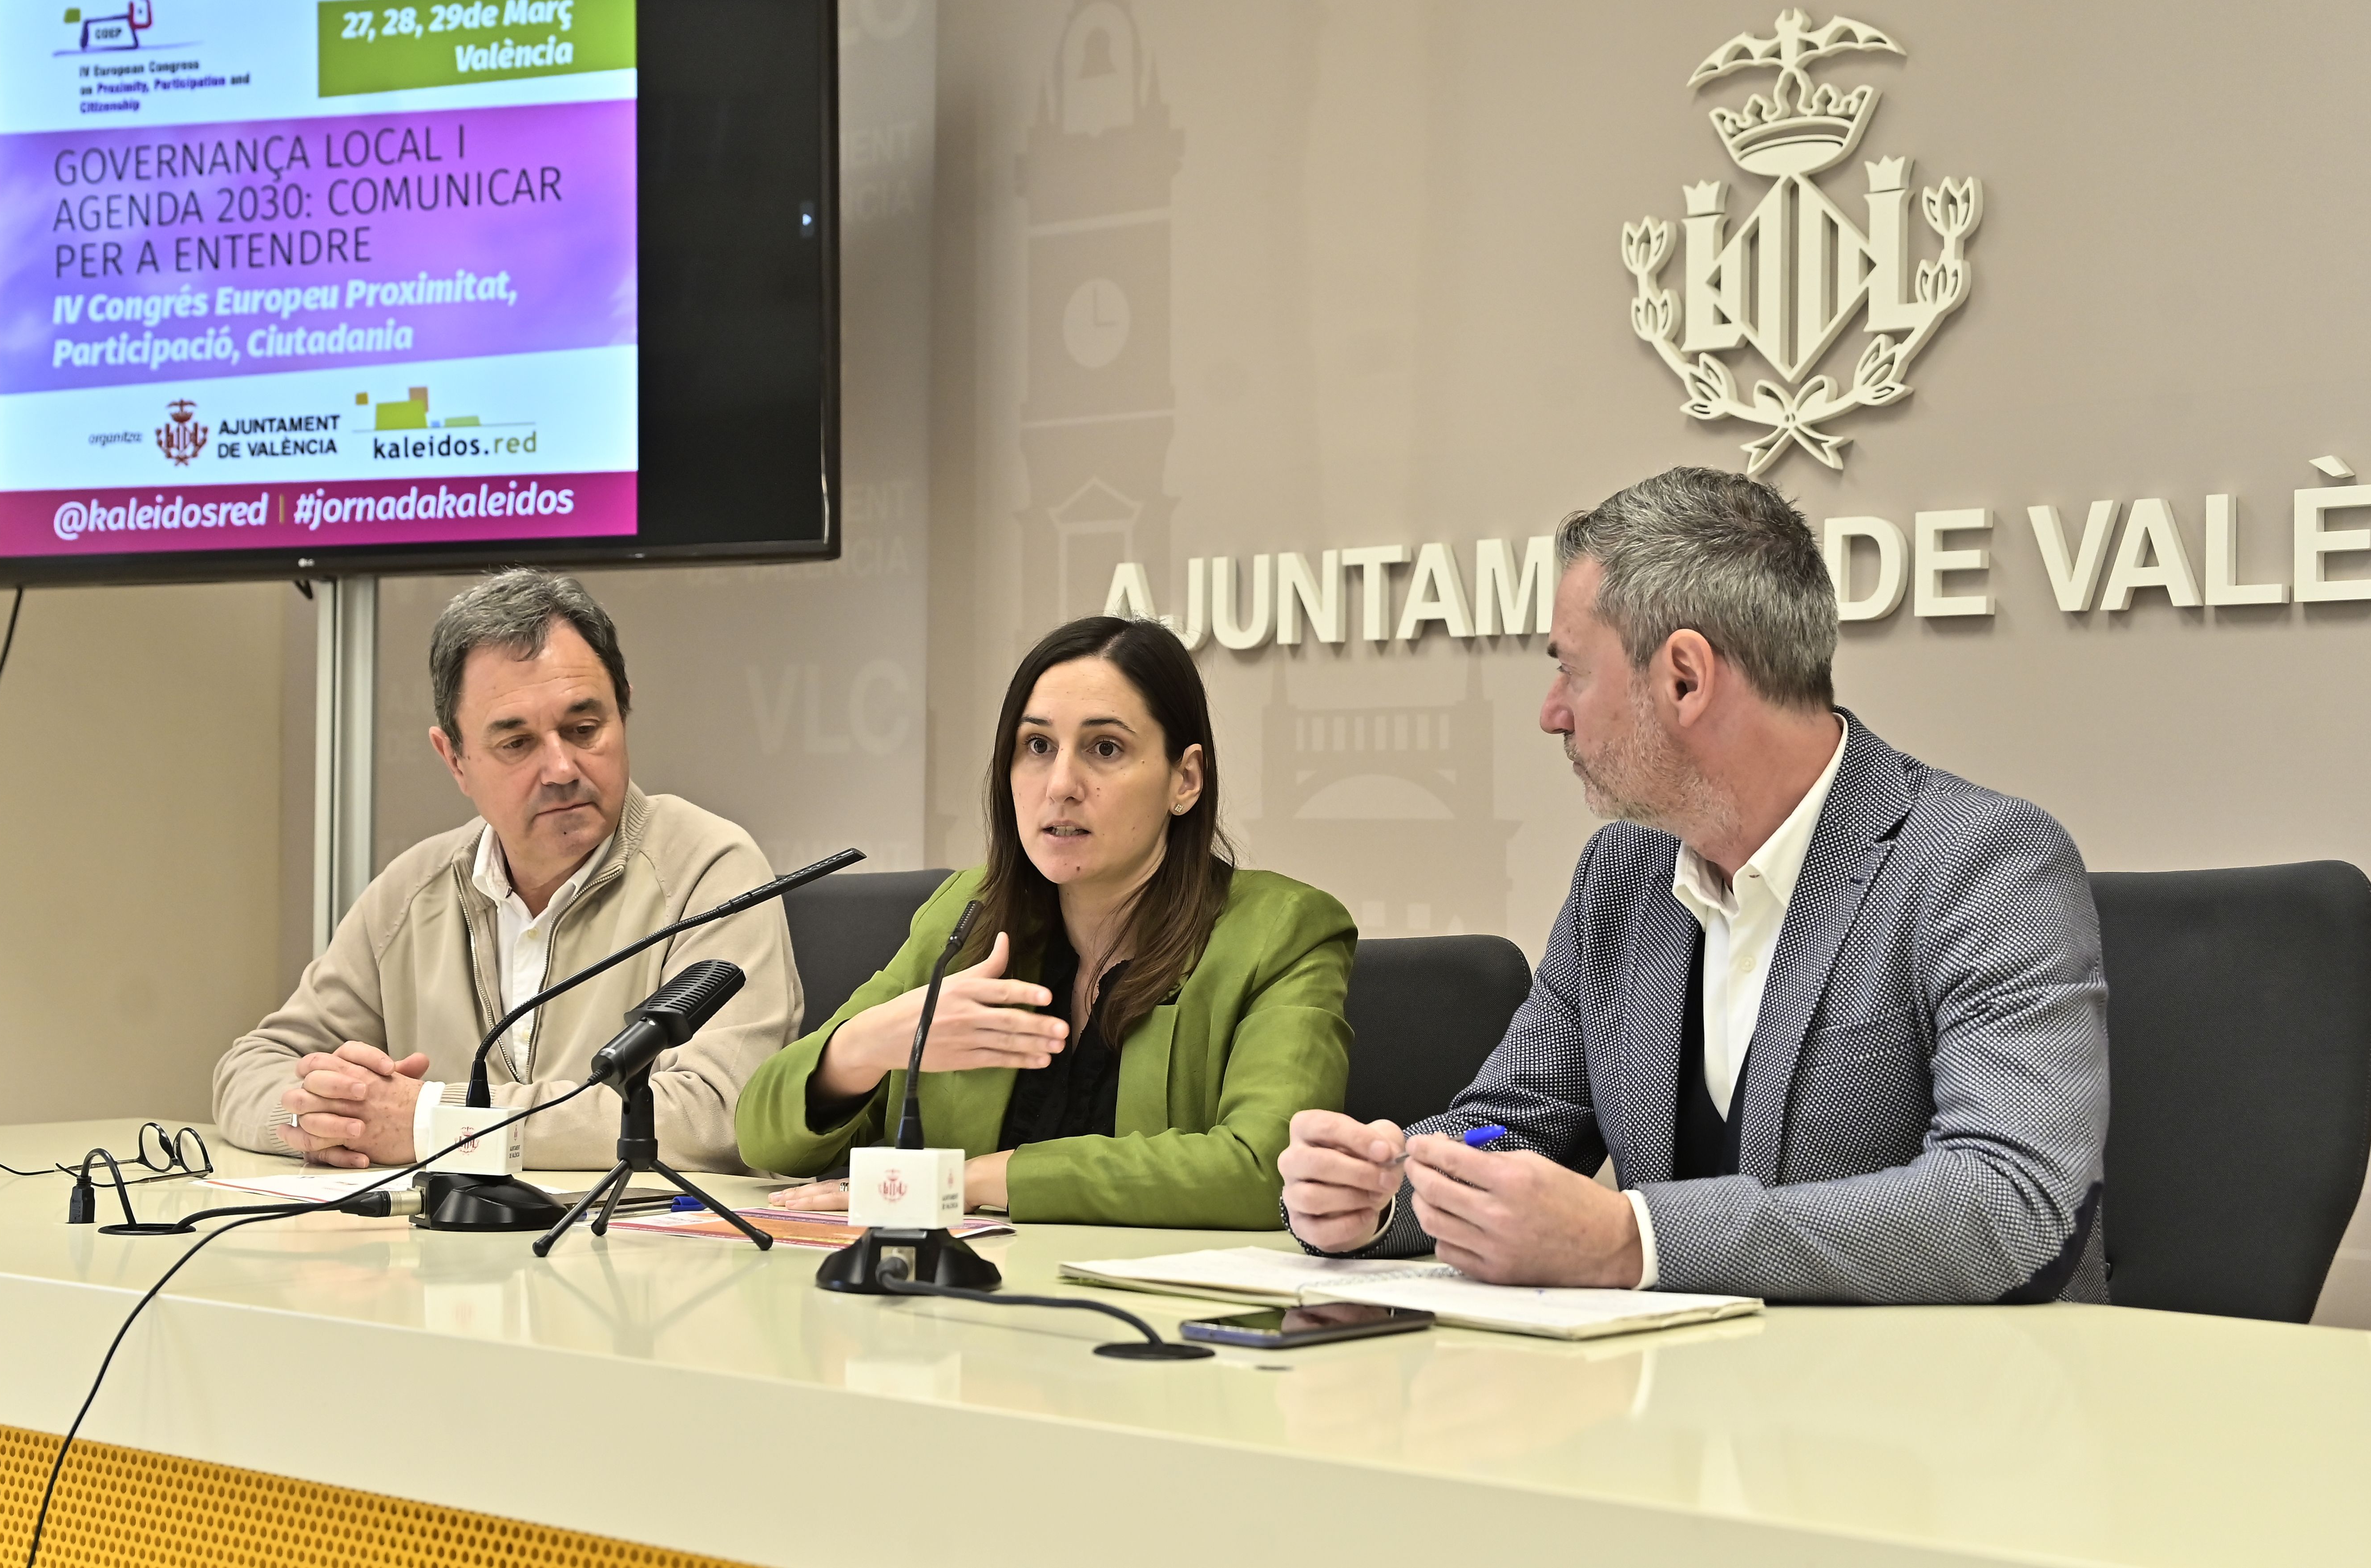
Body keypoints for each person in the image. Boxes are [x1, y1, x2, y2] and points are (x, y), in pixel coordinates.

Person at [1281, 468, 2109, 1302]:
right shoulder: (1622, 874)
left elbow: (2008, 1199)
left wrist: (1632, 1241)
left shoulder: (1987, 861)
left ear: (1685, 677)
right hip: (1677, 1405)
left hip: (1942, 1411)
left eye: (1571, 670)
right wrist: (1388, 1192)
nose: (1551, 712)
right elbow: (1517, 1122)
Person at [739, 615, 1354, 1228]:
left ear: (1185, 780)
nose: (1061, 785)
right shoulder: (967, 915)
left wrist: (967, 1180)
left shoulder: (1285, 932)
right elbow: (762, 1135)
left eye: (1105, 748)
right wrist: (866, 1046)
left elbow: (1267, 1171)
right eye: (1037, 747)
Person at [212, 569, 802, 1173]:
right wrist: (323, 1120)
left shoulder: (710, 869)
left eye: (583, 729)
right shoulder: (414, 889)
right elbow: (252, 1066)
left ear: (623, 710)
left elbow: (716, 1113)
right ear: (456, 760)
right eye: (517, 743)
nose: (561, 767)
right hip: (440, 1260)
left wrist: (430, 1122)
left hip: (633, 1256)